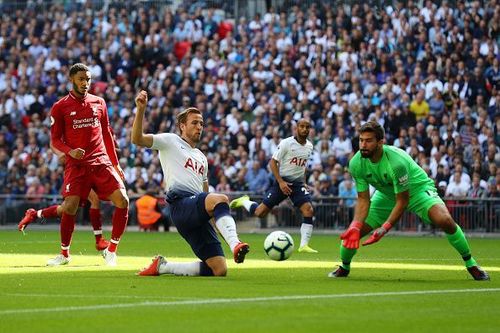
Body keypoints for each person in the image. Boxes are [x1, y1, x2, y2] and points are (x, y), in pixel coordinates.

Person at [329, 121, 489, 280]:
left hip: (417, 191)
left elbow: (403, 201)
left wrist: (384, 228)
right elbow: (363, 199)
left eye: (368, 140)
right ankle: (344, 266)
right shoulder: (356, 163)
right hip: (386, 195)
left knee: (445, 220)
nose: (363, 145)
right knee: (353, 234)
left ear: (380, 142)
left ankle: (471, 264)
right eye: (361, 140)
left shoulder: (395, 163)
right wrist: (356, 225)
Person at [132, 90, 249, 277]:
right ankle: (235, 243)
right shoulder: (170, 141)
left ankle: (163, 267)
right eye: (194, 123)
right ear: (182, 126)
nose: (199, 127)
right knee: (221, 198)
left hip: (196, 212)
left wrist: (218, 227)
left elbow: (207, 197)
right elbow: (137, 139)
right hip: (180, 205)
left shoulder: (202, 158)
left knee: (219, 269)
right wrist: (140, 109)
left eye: (201, 123)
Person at [48, 63, 129, 266]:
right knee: (70, 207)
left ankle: (111, 250)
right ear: (72, 80)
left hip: (101, 162)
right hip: (76, 166)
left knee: (123, 200)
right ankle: (64, 254)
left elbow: (107, 134)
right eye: (81, 79)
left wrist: (116, 164)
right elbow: (55, 140)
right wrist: (69, 151)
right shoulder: (60, 107)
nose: (85, 83)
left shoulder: (99, 103)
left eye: (88, 79)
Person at [230, 119, 318, 253]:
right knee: (260, 213)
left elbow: (303, 166)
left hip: (297, 184)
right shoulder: (286, 143)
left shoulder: (309, 146)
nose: (305, 129)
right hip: (282, 182)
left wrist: (304, 181)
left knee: (308, 210)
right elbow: (273, 162)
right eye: (302, 126)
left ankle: (303, 245)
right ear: (296, 128)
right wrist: (281, 182)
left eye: (307, 127)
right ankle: (245, 201)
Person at [18, 189, 110, 251]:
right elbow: (62, 159)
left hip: (90, 169)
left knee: (66, 208)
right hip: (77, 173)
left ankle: (34, 214)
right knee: (69, 208)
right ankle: (99, 241)